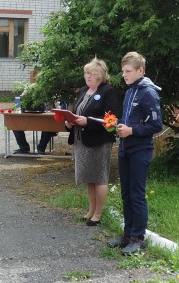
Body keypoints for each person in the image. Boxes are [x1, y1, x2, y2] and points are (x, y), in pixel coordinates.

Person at [109, 52, 163, 255]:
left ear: (141, 70)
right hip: (125, 148)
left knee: (137, 194)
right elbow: (130, 119)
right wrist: (117, 124)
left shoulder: (148, 92)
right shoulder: (130, 90)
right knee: (126, 193)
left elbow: (156, 125)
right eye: (123, 71)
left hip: (141, 149)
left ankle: (138, 238)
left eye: (128, 71)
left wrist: (132, 131)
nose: (124, 75)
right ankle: (127, 234)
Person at [64, 58, 121, 226]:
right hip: (81, 140)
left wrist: (87, 122)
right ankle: (90, 210)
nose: (88, 76)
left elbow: (111, 119)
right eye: (86, 73)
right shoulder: (83, 91)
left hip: (99, 141)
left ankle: (98, 213)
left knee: (99, 177)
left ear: (101, 76)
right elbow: (77, 113)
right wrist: (69, 122)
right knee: (89, 177)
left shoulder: (108, 91)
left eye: (92, 73)